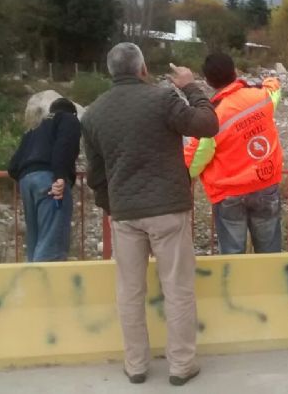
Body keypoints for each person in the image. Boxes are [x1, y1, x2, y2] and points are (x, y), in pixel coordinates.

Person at [80, 43, 218, 386]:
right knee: (178, 289)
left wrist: (113, 206)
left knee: (129, 292)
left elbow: (96, 174)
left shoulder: (94, 113)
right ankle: (181, 365)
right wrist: (190, 86)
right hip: (168, 209)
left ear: (111, 72)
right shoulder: (162, 98)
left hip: (125, 213)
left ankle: (136, 365)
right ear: (142, 69)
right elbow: (207, 124)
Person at [184, 53, 284, 254]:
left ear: (208, 82)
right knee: (270, 253)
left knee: (232, 256)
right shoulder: (261, 96)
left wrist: (184, 174)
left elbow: (196, 159)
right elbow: (274, 87)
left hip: (229, 195)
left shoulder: (212, 117)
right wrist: (266, 81)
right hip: (265, 185)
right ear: (235, 71)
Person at [8, 97, 80, 262]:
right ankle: (46, 278)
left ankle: (33, 277)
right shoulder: (68, 119)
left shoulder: (35, 129)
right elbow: (64, 145)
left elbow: (13, 166)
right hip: (50, 179)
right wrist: (60, 176)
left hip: (27, 181)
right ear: (73, 113)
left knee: (34, 242)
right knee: (51, 244)